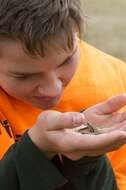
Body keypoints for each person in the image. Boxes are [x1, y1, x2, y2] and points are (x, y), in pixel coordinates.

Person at [0, 0, 126, 189]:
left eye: (66, 61)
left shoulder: (115, 79)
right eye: (24, 76)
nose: (53, 90)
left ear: (77, 34)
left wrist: (86, 160)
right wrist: (36, 148)